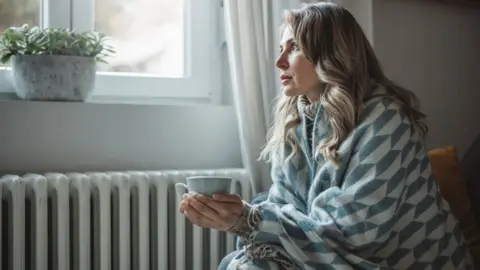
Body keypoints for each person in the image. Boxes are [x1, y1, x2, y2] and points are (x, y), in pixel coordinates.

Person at [179, 2, 473, 269]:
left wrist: (251, 220)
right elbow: (286, 205)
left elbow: (356, 234)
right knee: (240, 264)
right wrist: (241, 220)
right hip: (335, 253)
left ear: (331, 53)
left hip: (406, 262)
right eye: (281, 48)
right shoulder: (296, 121)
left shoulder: (385, 120)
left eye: (294, 47)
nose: (280, 61)